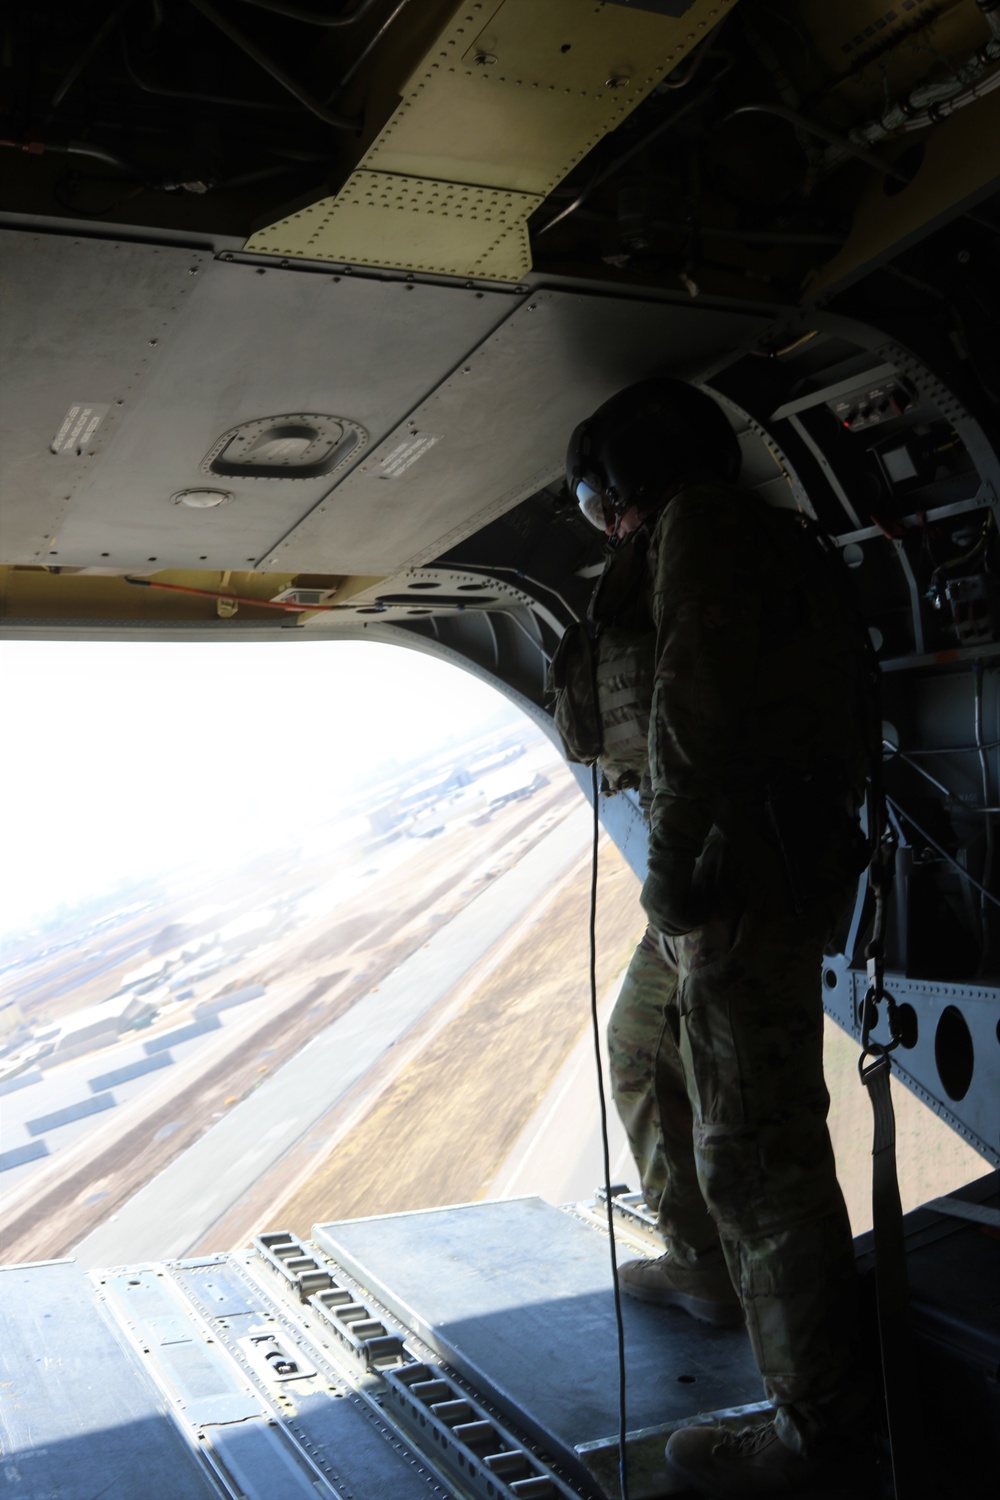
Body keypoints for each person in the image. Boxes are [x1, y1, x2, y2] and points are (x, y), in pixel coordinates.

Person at [561, 379, 877, 1497]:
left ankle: (817, 1434)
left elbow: (699, 700)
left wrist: (669, 866)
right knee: (641, 1048)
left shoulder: (702, 528)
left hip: (728, 876)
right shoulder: (726, 536)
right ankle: (700, 1261)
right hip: (724, 872)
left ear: (616, 489)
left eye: (594, 494)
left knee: (756, 1148)